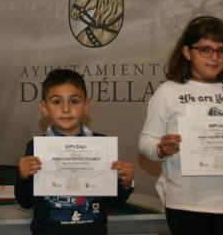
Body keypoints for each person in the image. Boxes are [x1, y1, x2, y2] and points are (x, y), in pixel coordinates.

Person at [138, 15, 223, 235]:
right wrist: (161, 148)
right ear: (187, 52)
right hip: (186, 204)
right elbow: (146, 143)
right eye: (205, 50)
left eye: (221, 50)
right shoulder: (168, 92)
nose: (214, 58)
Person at [14, 68, 135, 235]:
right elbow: (25, 201)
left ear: (86, 105)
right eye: (57, 102)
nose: (66, 109)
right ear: (43, 107)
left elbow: (115, 202)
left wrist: (126, 183)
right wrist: (22, 176)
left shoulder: (101, 145)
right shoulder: (35, 146)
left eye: (74, 101)